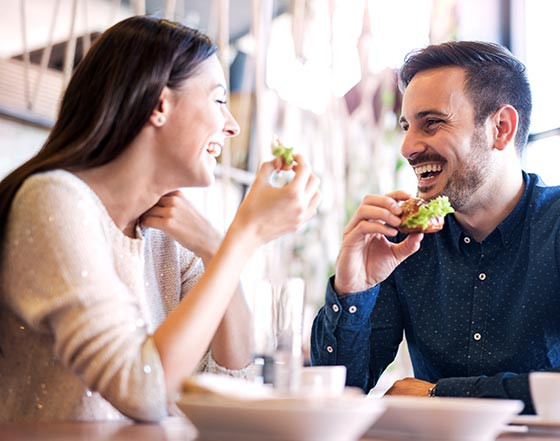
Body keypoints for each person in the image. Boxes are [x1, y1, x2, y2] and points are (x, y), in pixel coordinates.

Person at [0, 16, 320, 422]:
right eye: (219, 100)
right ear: (159, 105)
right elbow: (144, 390)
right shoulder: (52, 200)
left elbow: (231, 383)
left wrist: (217, 246)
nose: (233, 125)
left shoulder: (167, 236)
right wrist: (245, 236)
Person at [310, 41, 560, 413]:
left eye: (431, 123)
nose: (407, 146)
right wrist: (353, 289)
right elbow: (334, 397)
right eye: (406, 126)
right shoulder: (402, 242)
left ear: (501, 128)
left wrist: (440, 396)